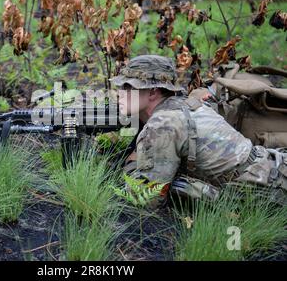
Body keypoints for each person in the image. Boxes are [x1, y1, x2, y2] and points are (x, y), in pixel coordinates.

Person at [110, 55, 287, 207]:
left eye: (127, 87)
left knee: (179, 187)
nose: (119, 93)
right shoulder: (185, 104)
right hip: (272, 169)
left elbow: (147, 199)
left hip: (264, 190)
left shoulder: (163, 124)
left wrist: (132, 162)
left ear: (152, 92)